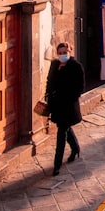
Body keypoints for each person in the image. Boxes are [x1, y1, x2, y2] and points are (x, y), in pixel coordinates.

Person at [46, 42, 84, 176]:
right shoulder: (55, 65)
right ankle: (75, 148)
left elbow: (80, 87)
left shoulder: (76, 67)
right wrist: (48, 98)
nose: (63, 55)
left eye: (65, 52)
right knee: (64, 127)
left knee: (61, 133)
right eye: (60, 53)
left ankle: (57, 164)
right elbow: (49, 82)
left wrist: (71, 97)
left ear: (70, 52)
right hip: (56, 105)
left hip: (68, 105)